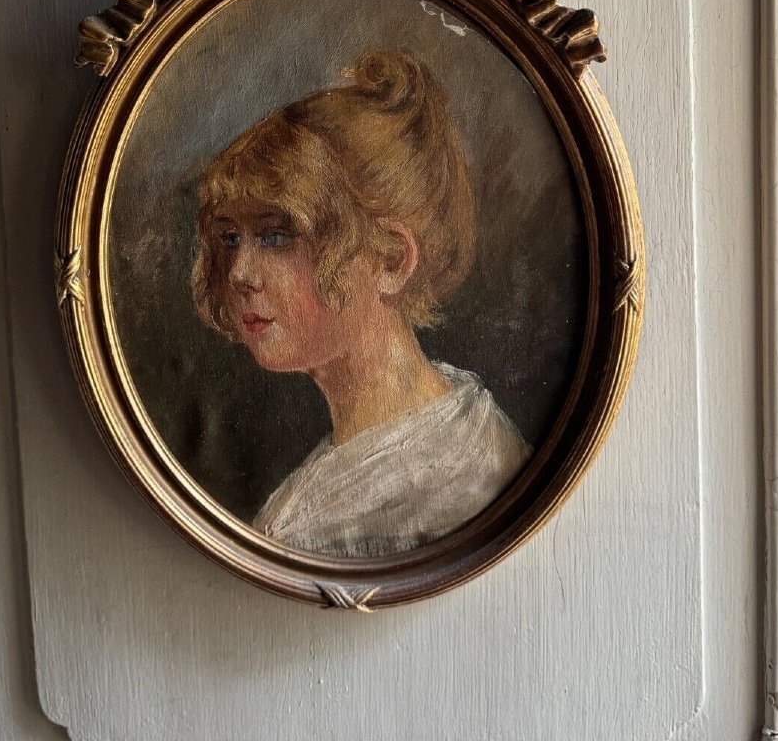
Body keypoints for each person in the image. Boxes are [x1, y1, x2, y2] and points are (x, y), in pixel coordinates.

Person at [190, 49, 531, 557]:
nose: (239, 273)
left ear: (392, 260)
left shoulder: (452, 479)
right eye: (231, 238)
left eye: (277, 236)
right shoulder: (357, 463)